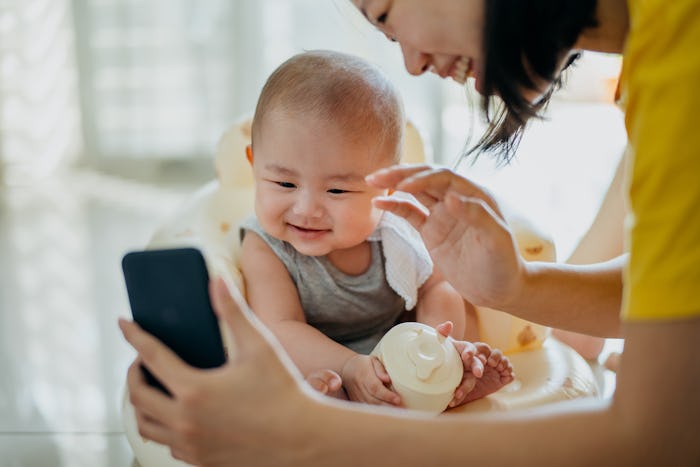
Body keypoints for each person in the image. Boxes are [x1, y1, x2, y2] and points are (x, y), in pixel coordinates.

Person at [119, 0, 700, 465]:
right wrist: (517, 286)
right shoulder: (660, 49)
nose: (416, 64)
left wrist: (305, 436)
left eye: (388, 16)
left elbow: (661, 437)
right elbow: (673, 293)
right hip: (341, 365)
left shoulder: (683, 58)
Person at [238, 49, 512, 407]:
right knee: (299, 381)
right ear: (254, 164)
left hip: (399, 352)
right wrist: (351, 367)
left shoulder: (397, 228)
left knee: (457, 306)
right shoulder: (265, 245)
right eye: (284, 184)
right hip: (324, 361)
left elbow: (438, 286)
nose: (306, 210)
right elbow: (281, 329)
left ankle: (449, 381)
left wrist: (433, 345)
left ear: (388, 186)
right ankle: (343, 398)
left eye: (337, 190)